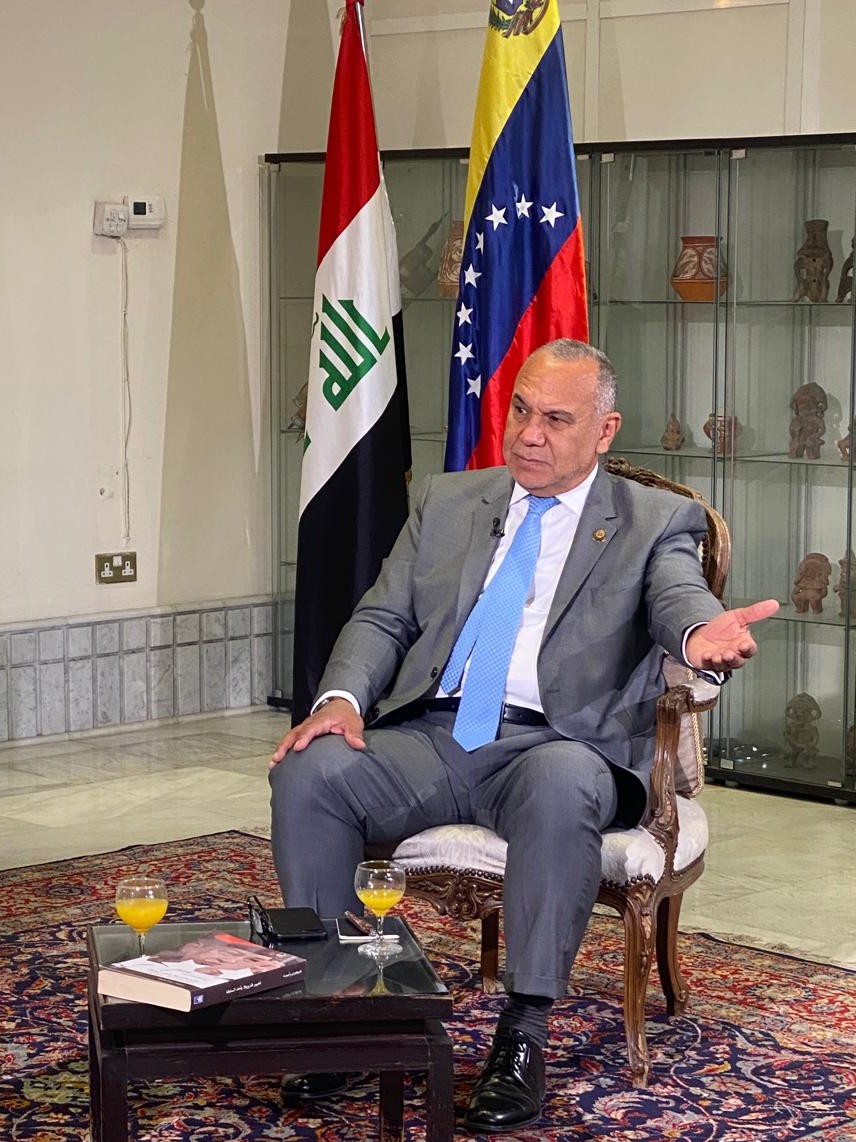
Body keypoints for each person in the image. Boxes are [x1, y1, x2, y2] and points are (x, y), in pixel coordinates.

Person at [269, 338, 778, 1132]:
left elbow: (678, 595)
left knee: (560, 783)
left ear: (604, 431)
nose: (529, 435)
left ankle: (524, 1033)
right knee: (309, 770)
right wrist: (340, 699)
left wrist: (698, 634)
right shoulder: (448, 501)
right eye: (521, 410)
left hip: (557, 746)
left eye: (557, 420)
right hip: (435, 735)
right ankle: (343, 1011)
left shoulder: (653, 520)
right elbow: (383, 615)